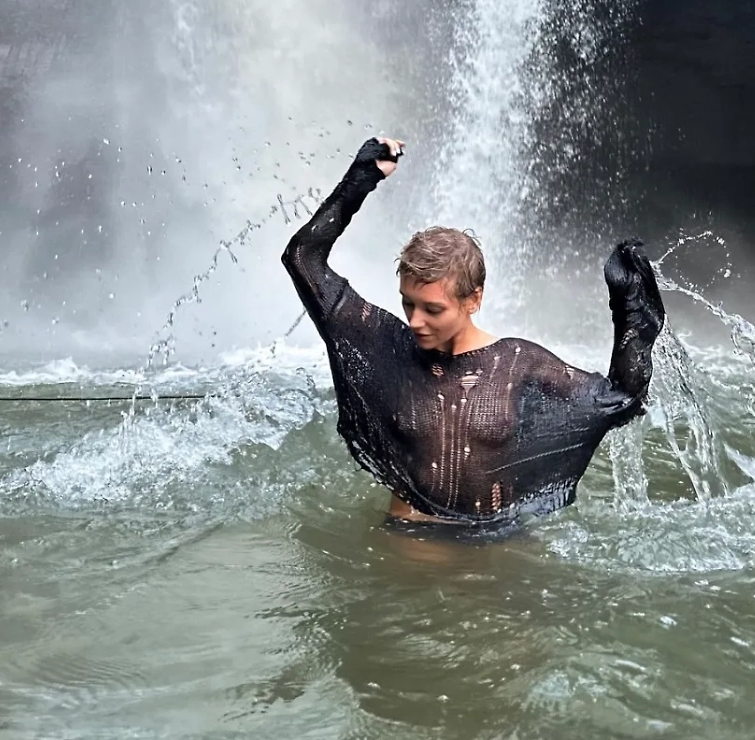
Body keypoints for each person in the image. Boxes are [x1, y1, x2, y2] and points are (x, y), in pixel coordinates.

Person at [281, 137, 665, 528]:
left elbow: (622, 399)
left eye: (433, 309)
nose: (415, 320)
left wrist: (631, 311)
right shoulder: (385, 345)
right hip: (409, 542)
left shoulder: (519, 363)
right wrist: (361, 178)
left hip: (495, 546)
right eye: (408, 303)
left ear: (473, 299)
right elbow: (302, 258)